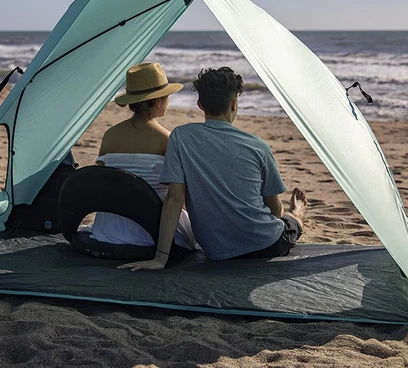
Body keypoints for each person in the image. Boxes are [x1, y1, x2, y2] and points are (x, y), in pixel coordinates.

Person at [120, 66, 307, 271]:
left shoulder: (180, 137)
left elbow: (174, 199)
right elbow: (274, 210)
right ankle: (298, 213)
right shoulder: (258, 146)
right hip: (266, 244)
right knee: (290, 220)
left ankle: (295, 213)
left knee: (280, 218)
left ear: (200, 105)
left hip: (216, 250)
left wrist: (160, 259)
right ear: (234, 104)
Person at [87, 62, 197, 251]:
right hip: (151, 230)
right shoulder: (166, 139)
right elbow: (177, 194)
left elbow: (103, 180)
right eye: (167, 97)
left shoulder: (110, 134)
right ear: (157, 102)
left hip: (110, 228)